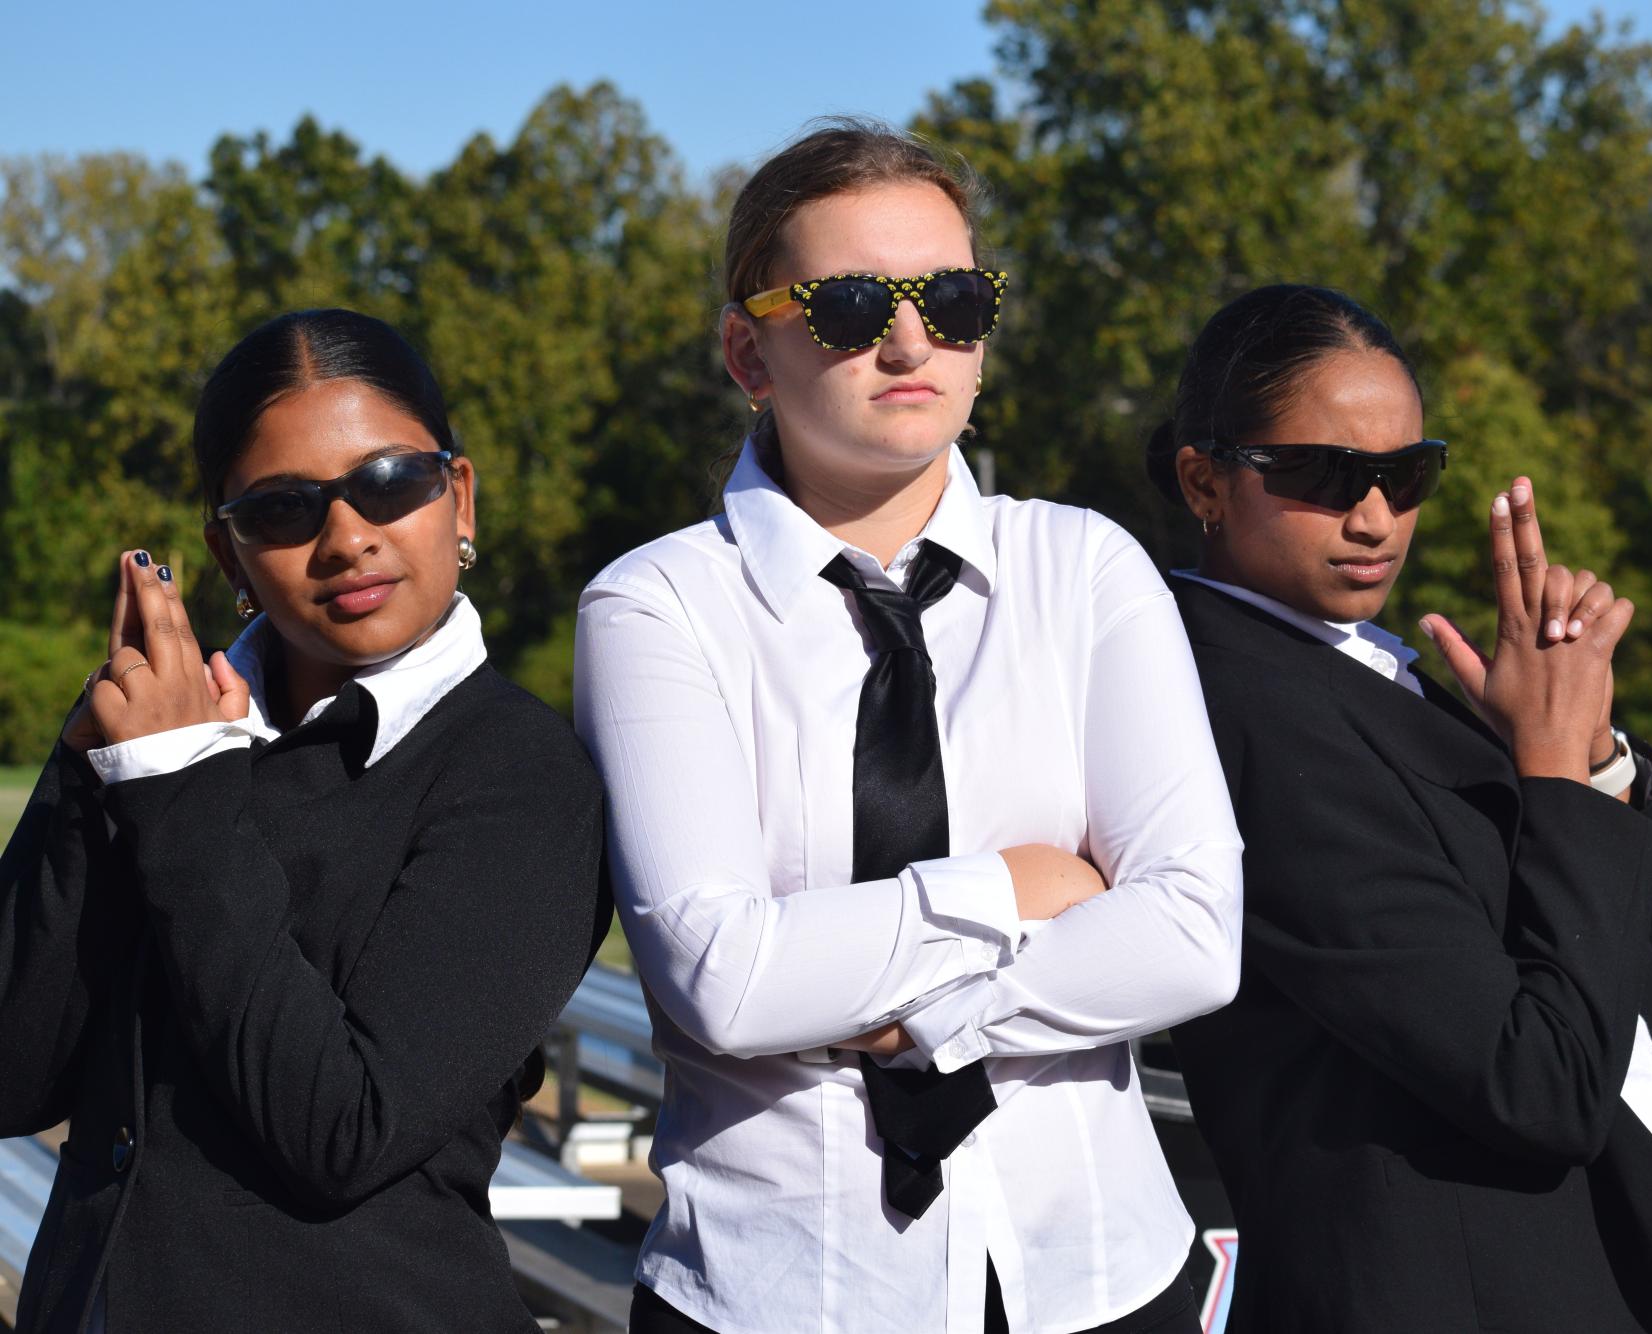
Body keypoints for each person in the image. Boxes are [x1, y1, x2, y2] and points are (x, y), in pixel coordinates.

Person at [573, 119, 1243, 1334]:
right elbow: (724, 982)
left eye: (952, 296)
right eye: (843, 304)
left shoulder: (1086, 567)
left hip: (1099, 1274)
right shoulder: (656, 604)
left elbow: (1196, 935)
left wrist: (908, 1005)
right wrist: (1013, 886)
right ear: (747, 349)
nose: (908, 338)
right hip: (776, 1292)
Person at [0, 309, 611, 1334]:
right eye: (284, 507)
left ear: (457, 496)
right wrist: (87, 767)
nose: (346, 536)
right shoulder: (162, 734)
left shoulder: (523, 776)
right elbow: (14, 1076)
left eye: (390, 481)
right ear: (226, 549)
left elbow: (345, 1129)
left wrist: (173, 781)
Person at [1153, 286, 1652, 1333]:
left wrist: (1589, 761)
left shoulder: (1374, 677)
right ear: (1205, 478)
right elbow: (1539, 1080)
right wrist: (1547, 773)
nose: (1373, 516)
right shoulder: (1233, 707)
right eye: (1323, 474)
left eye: (1403, 474)